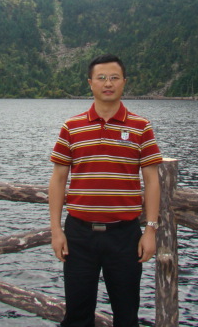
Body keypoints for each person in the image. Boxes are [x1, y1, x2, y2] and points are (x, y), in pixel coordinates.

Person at [49, 54, 162, 327]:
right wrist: (56, 230)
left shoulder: (141, 127)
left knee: (126, 316)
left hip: (124, 236)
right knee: (77, 317)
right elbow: (58, 179)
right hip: (79, 235)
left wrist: (150, 231)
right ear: (90, 83)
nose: (107, 83)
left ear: (124, 82)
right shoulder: (71, 127)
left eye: (114, 78)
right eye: (101, 78)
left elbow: (152, 180)